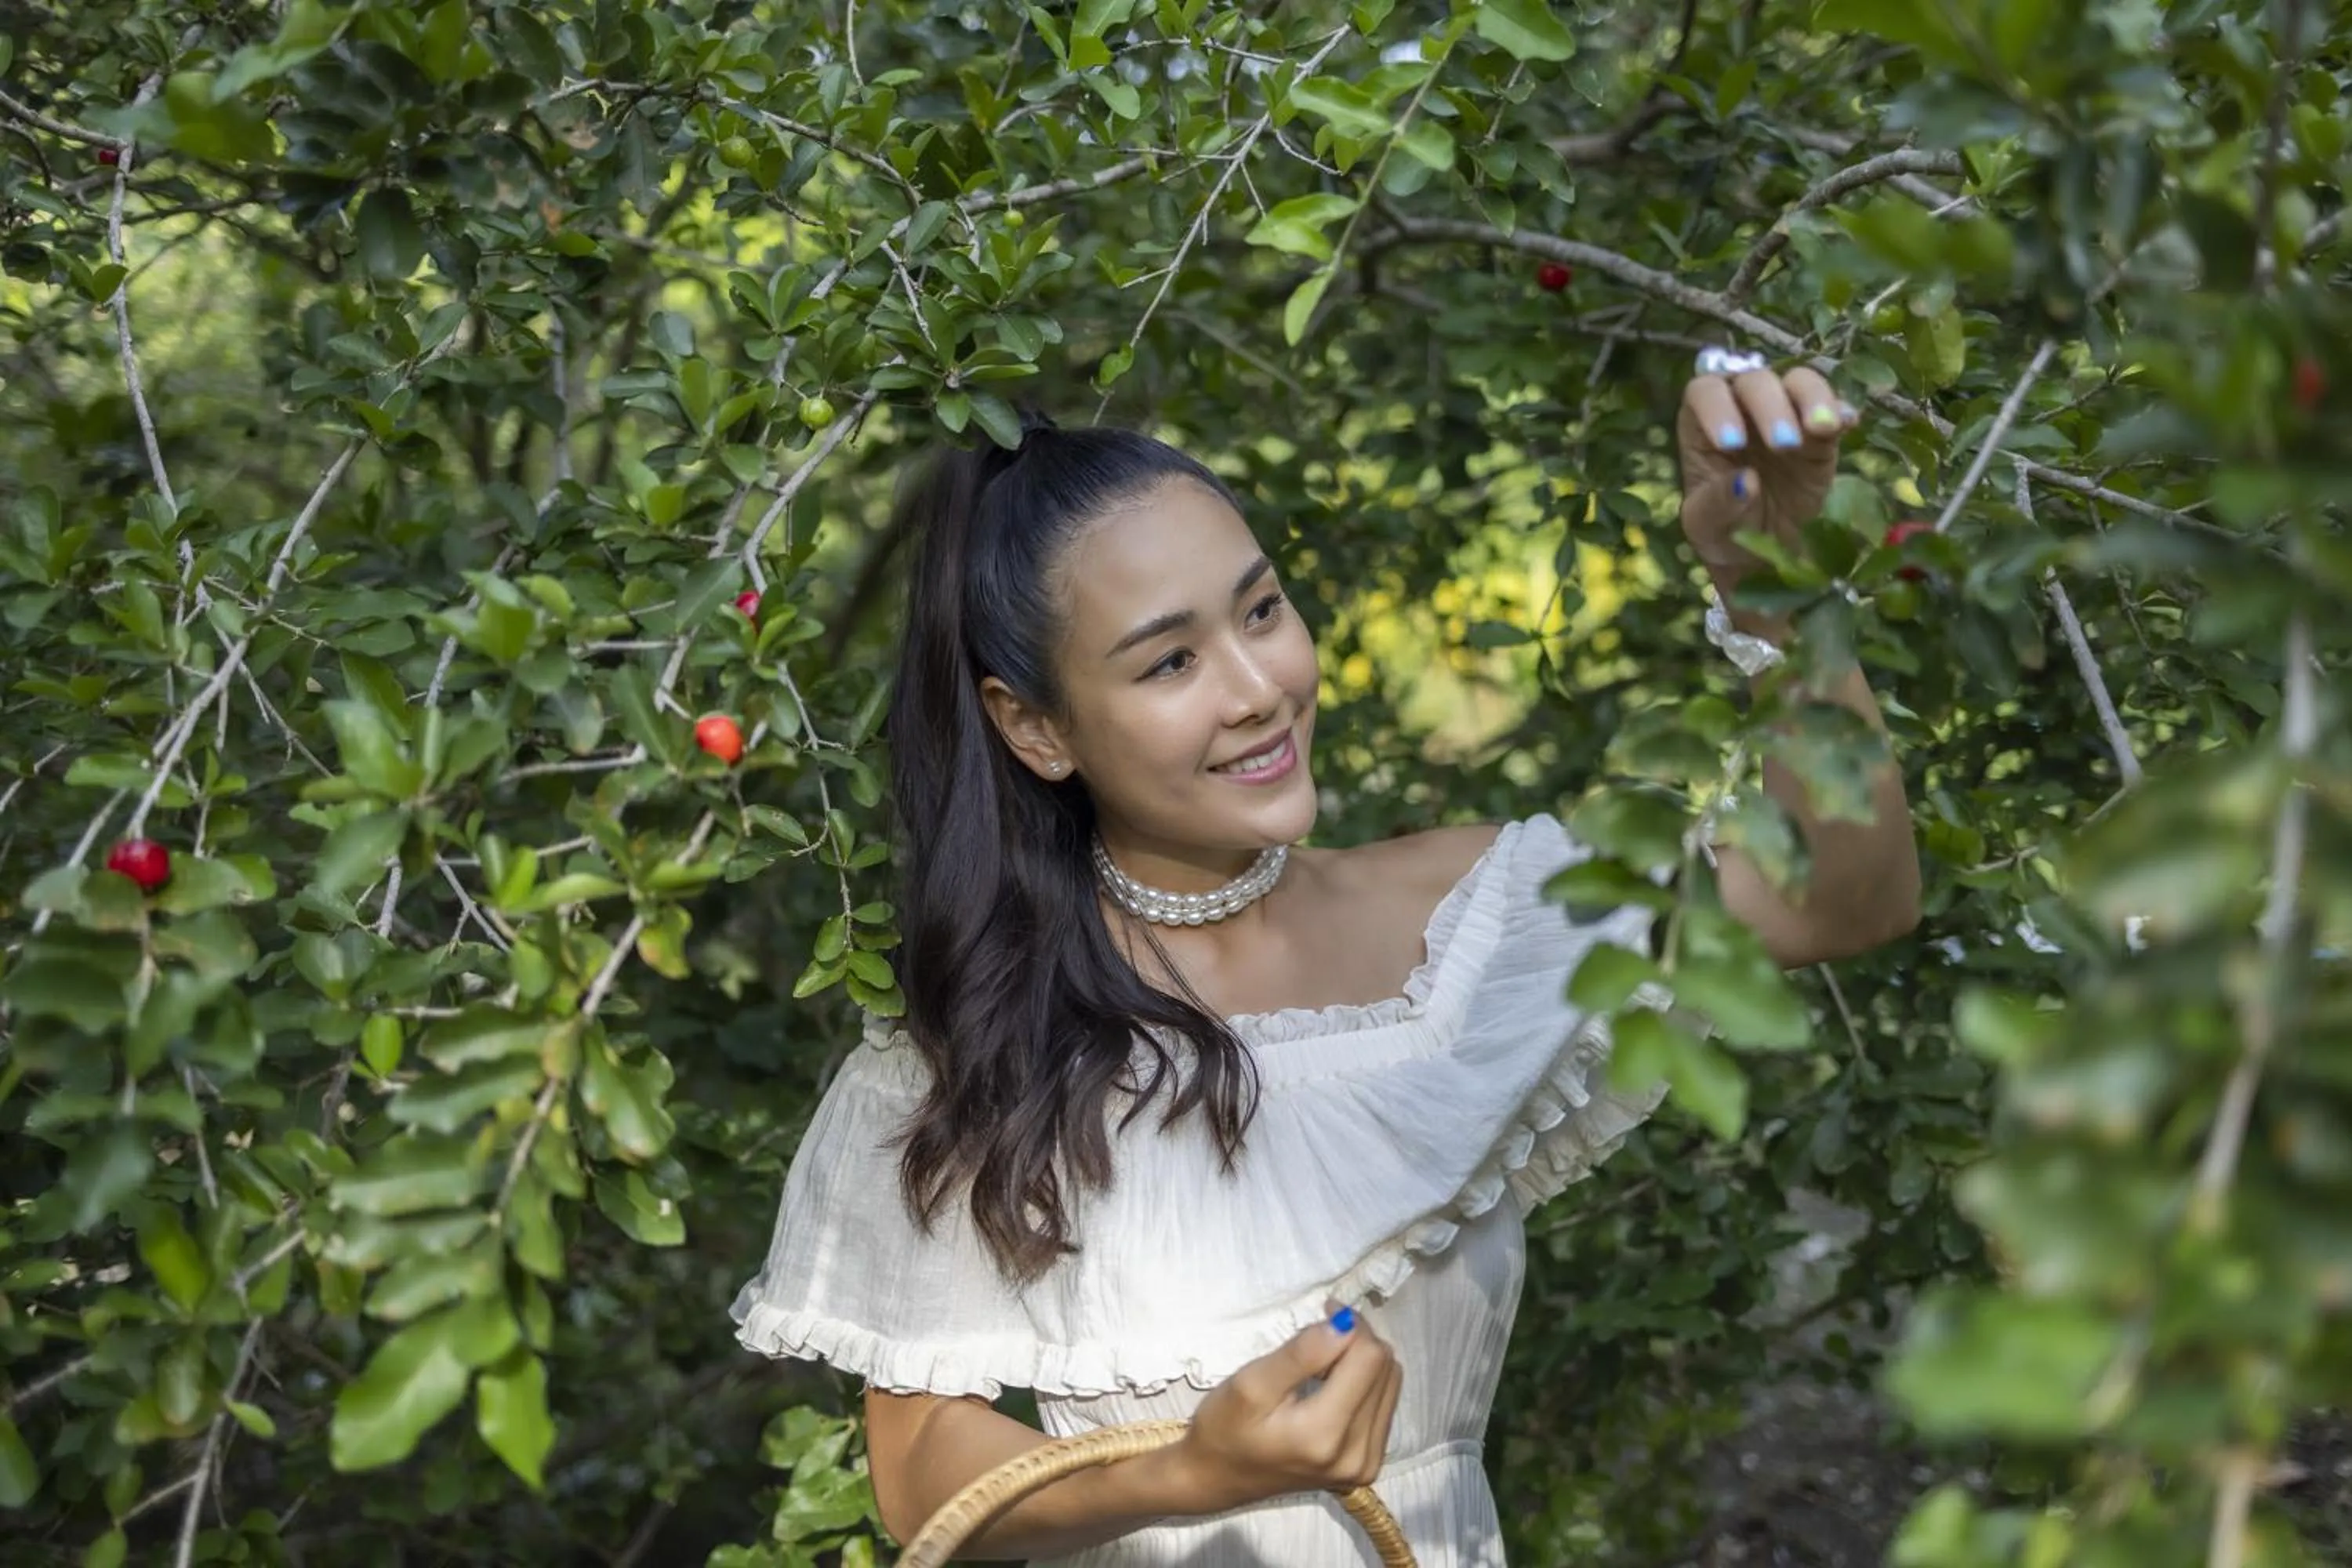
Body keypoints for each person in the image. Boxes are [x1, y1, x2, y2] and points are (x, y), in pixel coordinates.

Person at [731, 354, 1923, 1564]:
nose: (1260, 690)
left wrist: (1776, 583)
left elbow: (1840, 897)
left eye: (1260, 611)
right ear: (1035, 727)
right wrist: (1190, 1471)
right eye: (1170, 662)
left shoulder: (1474, 925)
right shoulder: (971, 1045)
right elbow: (919, 1475)